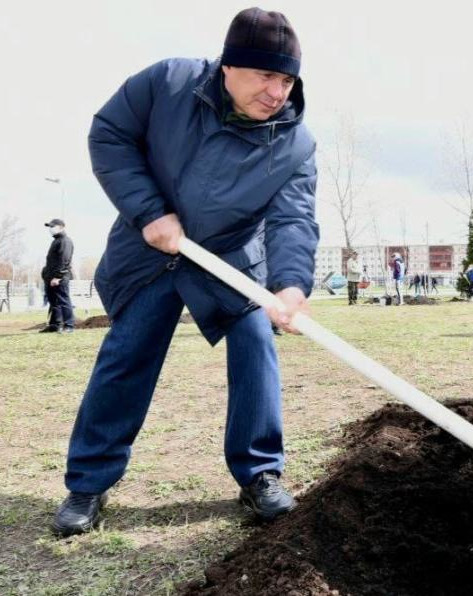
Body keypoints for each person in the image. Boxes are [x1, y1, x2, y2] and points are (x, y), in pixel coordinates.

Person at [52, 8, 318, 537]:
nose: (277, 92)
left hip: (231, 259)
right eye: (266, 75)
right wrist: (149, 211)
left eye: (286, 79)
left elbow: (293, 217)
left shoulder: (295, 143)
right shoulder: (168, 84)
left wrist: (290, 284)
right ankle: (88, 483)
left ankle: (260, 474)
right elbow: (109, 135)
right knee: (127, 356)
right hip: (151, 248)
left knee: (255, 347)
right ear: (229, 66)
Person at [40, 218, 75, 334]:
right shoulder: (56, 241)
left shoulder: (65, 241)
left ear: (61, 227)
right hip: (50, 278)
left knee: (63, 300)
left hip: (60, 278)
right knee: (54, 302)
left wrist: (58, 277)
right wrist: (46, 274)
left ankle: (69, 325)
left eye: (52, 226)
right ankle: (55, 325)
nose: (50, 229)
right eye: (49, 227)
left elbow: (64, 261)